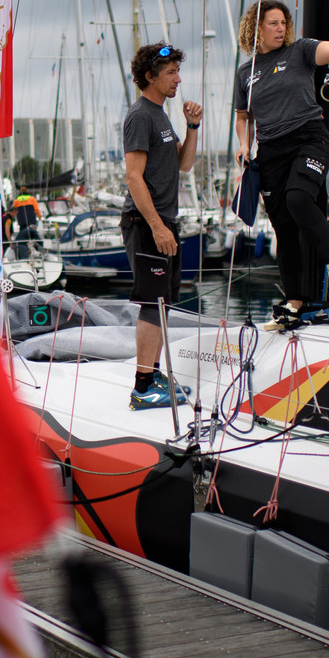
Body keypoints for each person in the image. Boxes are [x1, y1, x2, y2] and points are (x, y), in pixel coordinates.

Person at [233, 0, 329, 329]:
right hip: (270, 150)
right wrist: (244, 144)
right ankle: (294, 301)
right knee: (283, 228)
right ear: (256, 29)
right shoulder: (245, 73)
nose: (280, 28)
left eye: (283, 22)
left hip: (308, 138)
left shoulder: (299, 51)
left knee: (298, 198)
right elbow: (243, 117)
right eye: (273, 23)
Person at [122, 42, 202, 409]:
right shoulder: (141, 115)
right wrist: (155, 226)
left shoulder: (161, 115)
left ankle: (153, 374)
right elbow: (133, 177)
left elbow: (183, 165)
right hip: (146, 221)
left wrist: (193, 127)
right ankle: (142, 387)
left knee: (164, 302)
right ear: (150, 76)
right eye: (170, 73)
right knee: (152, 302)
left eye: (177, 71)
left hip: (164, 221)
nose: (178, 79)